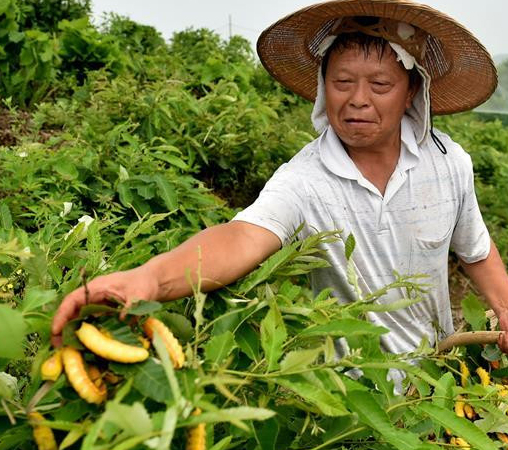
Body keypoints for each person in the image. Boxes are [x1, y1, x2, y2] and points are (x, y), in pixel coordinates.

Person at [52, 0, 508, 357]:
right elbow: (241, 239)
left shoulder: (449, 163)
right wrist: (148, 279)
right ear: (322, 84)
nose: (358, 101)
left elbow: (477, 252)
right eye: (342, 82)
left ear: (412, 90)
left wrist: (505, 312)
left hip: (436, 377)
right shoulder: (306, 180)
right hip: (352, 400)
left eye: (381, 85)